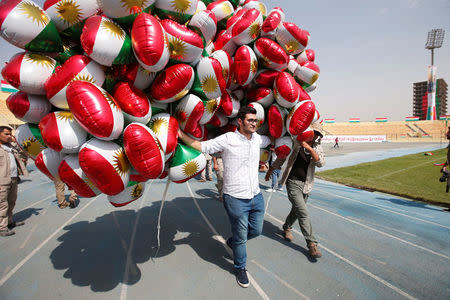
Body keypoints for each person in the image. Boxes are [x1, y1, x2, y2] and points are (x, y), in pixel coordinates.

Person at [178, 106, 272, 288]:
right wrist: (181, 135)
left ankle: (232, 242)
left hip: (256, 196)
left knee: (257, 231)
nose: (254, 123)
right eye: (250, 120)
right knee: (241, 236)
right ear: (240, 121)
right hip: (236, 198)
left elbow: (272, 139)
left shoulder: (258, 139)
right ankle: (240, 267)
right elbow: (202, 146)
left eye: (256, 121)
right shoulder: (228, 139)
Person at [265, 121, 325, 259]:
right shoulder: (296, 143)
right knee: (303, 212)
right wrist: (271, 170)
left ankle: (287, 226)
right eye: (314, 133)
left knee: (297, 211)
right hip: (292, 182)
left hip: (307, 184)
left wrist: (310, 149)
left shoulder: (317, 147)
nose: (315, 136)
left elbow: (321, 163)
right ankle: (312, 244)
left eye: (317, 135)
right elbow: (282, 157)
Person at [0, 126, 29, 236]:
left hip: (13, 178)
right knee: (2, 204)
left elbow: (24, 154)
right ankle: (2, 228)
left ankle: (9, 222)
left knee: (11, 202)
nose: (9, 136)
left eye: (10, 134)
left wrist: (17, 143)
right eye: (6, 134)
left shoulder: (10, 147)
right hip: (2, 180)